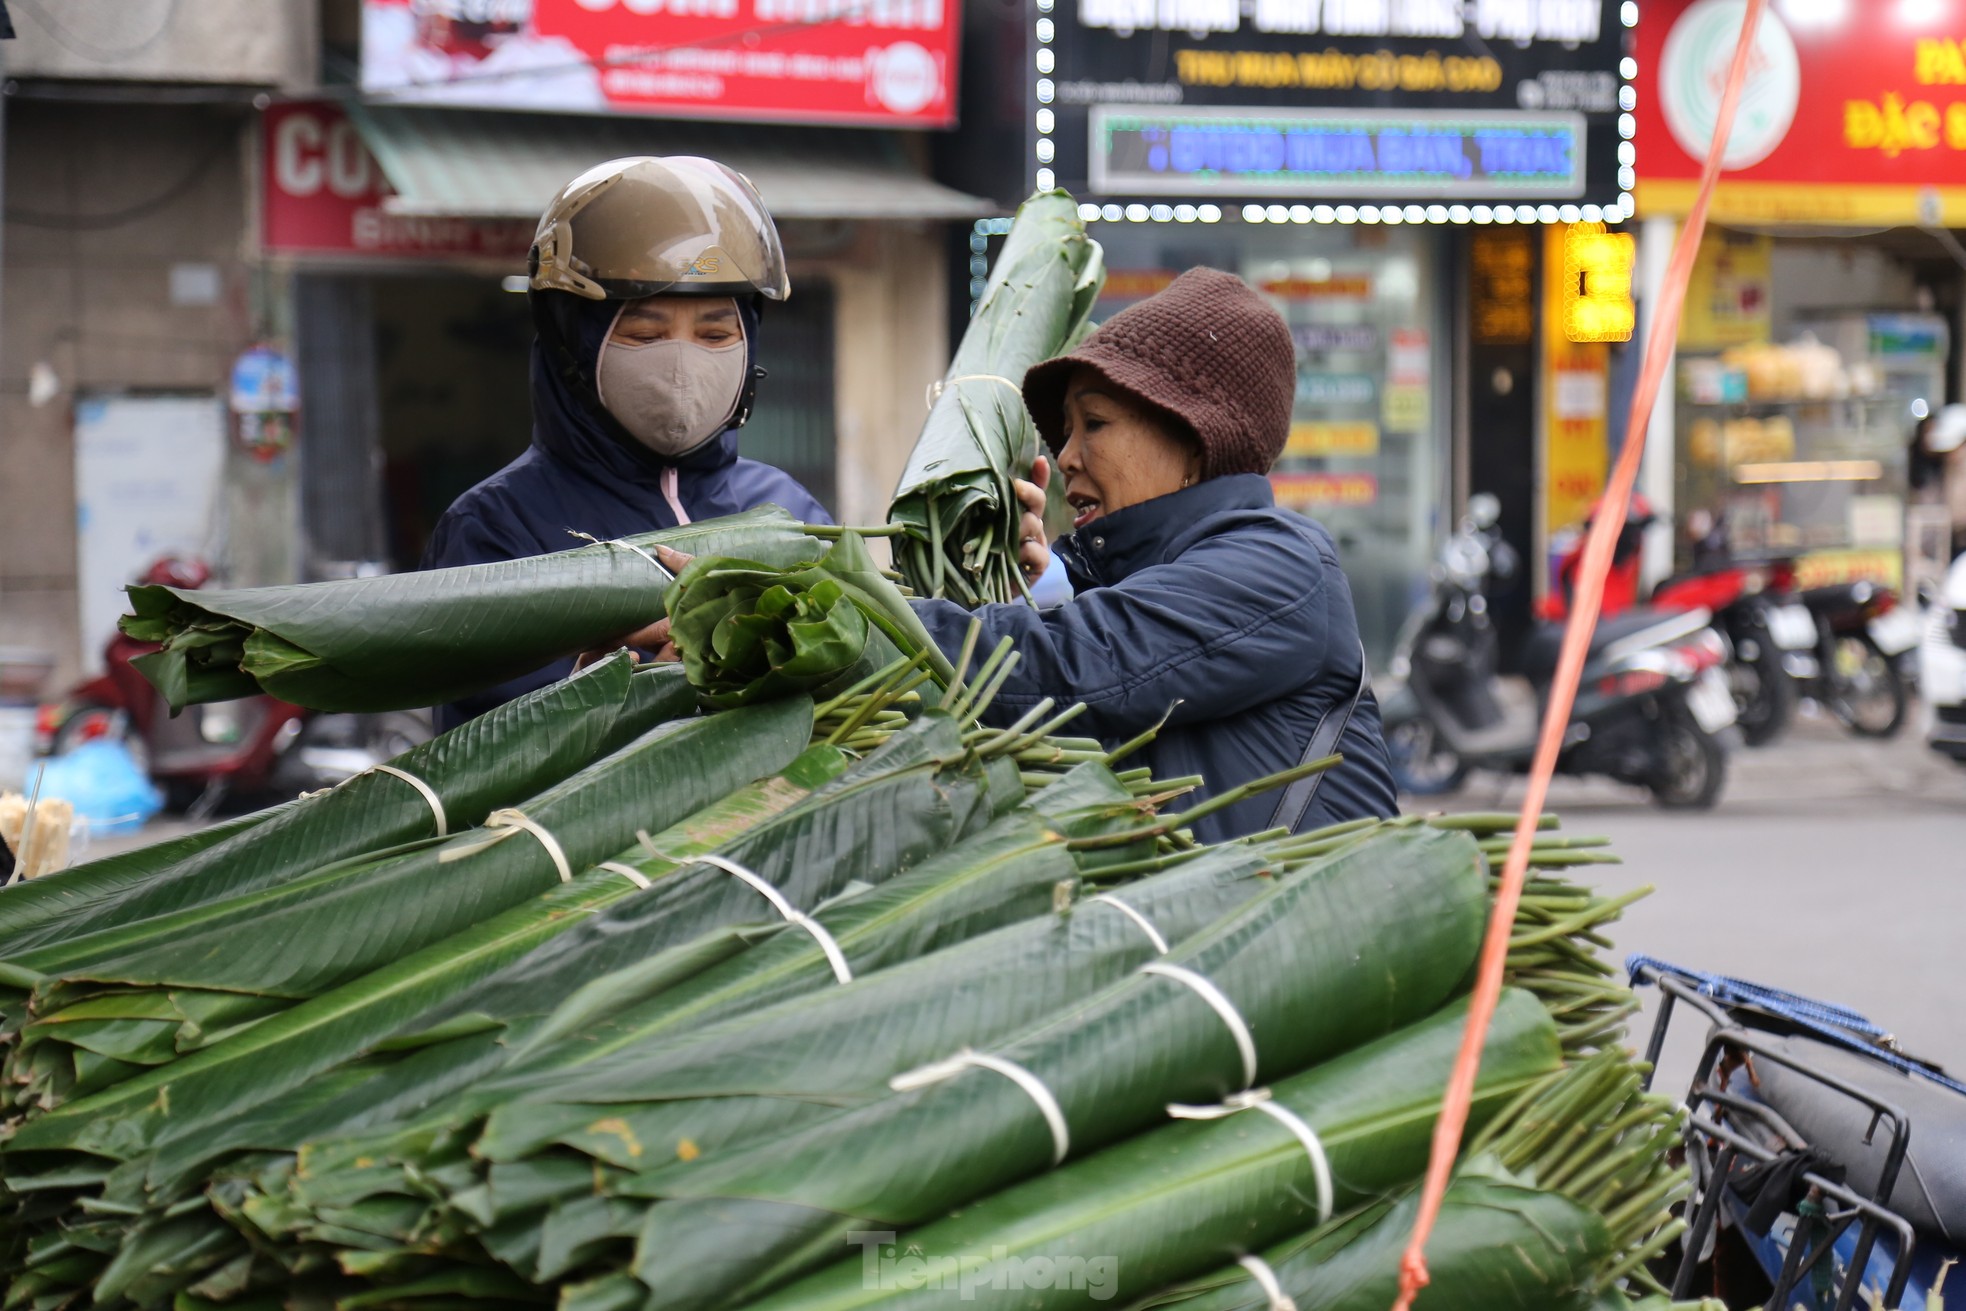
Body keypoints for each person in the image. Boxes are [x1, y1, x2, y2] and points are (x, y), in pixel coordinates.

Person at [632, 268, 1398, 842]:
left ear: (1192, 439)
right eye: (1064, 432)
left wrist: (812, 612)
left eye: (1093, 424)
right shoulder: (1116, 579)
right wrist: (1046, 581)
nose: (1065, 457)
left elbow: (1072, 667)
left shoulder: (1281, 566)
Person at [423, 156, 831, 729]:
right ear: (572, 346)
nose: (684, 365)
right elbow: (479, 749)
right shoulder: (495, 528)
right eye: (646, 333)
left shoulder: (786, 511)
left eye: (715, 333)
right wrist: (605, 696)